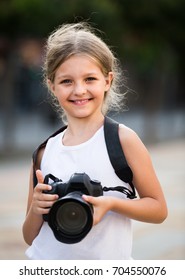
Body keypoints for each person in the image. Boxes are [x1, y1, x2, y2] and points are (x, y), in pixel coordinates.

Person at [22, 22, 167, 259]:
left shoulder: (123, 140)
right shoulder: (44, 151)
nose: (79, 90)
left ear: (107, 81)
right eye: (66, 81)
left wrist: (112, 204)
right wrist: (37, 210)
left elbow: (159, 210)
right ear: (52, 86)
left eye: (90, 79)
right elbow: (30, 237)